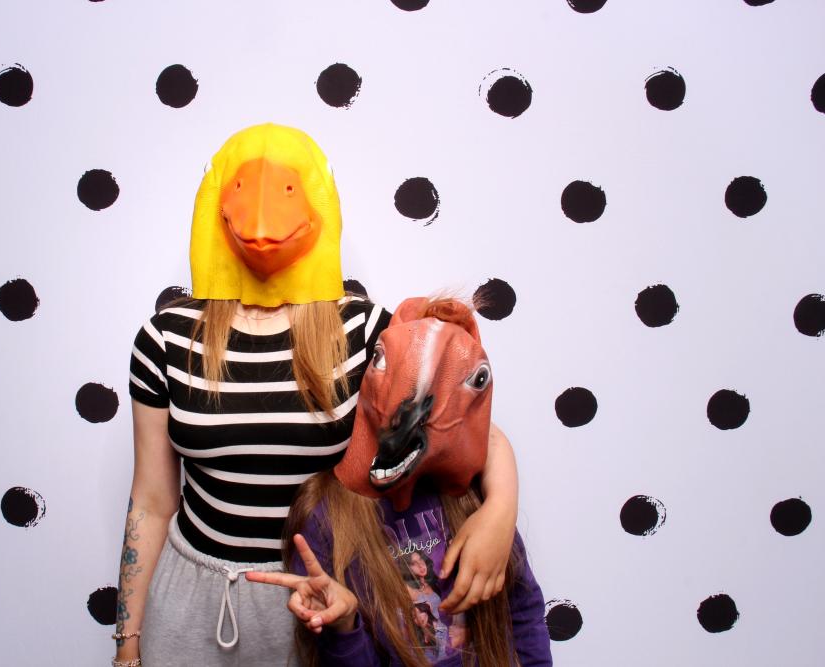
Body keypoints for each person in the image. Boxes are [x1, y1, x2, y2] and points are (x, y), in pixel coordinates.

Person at [111, 124, 521, 667]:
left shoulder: (366, 332)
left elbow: (470, 435)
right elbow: (151, 500)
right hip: (192, 604)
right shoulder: (165, 338)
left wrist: (500, 515)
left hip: (331, 603)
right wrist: (128, 642)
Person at [245, 297, 552, 666]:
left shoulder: (473, 503)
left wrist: (500, 505)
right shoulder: (328, 519)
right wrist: (344, 626)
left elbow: (524, 613)